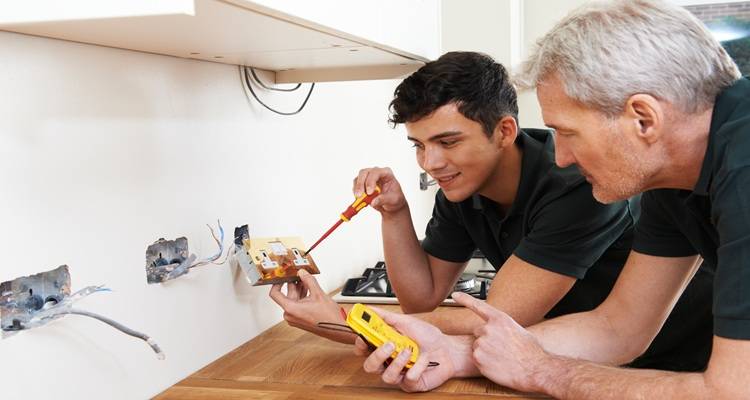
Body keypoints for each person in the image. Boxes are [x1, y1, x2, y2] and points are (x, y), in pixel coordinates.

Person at [359, 0, 750, 397]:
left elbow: (732, 391)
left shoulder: (744, 167)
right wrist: (460, 353)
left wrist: (543, 371)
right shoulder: (669, 177)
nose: (560, 156)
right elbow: (619, 327)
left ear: (643, 119)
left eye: (567, 132)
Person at [270, 51, 712, 372]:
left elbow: (502, 318)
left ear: (504, 131)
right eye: (419, 146)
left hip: (681, 357)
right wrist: (395, 212)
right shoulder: (462, 191)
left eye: (447, 142)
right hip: (588, 352)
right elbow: (421, 298)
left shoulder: (574, 185)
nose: (430, 163)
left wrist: (345, 321)